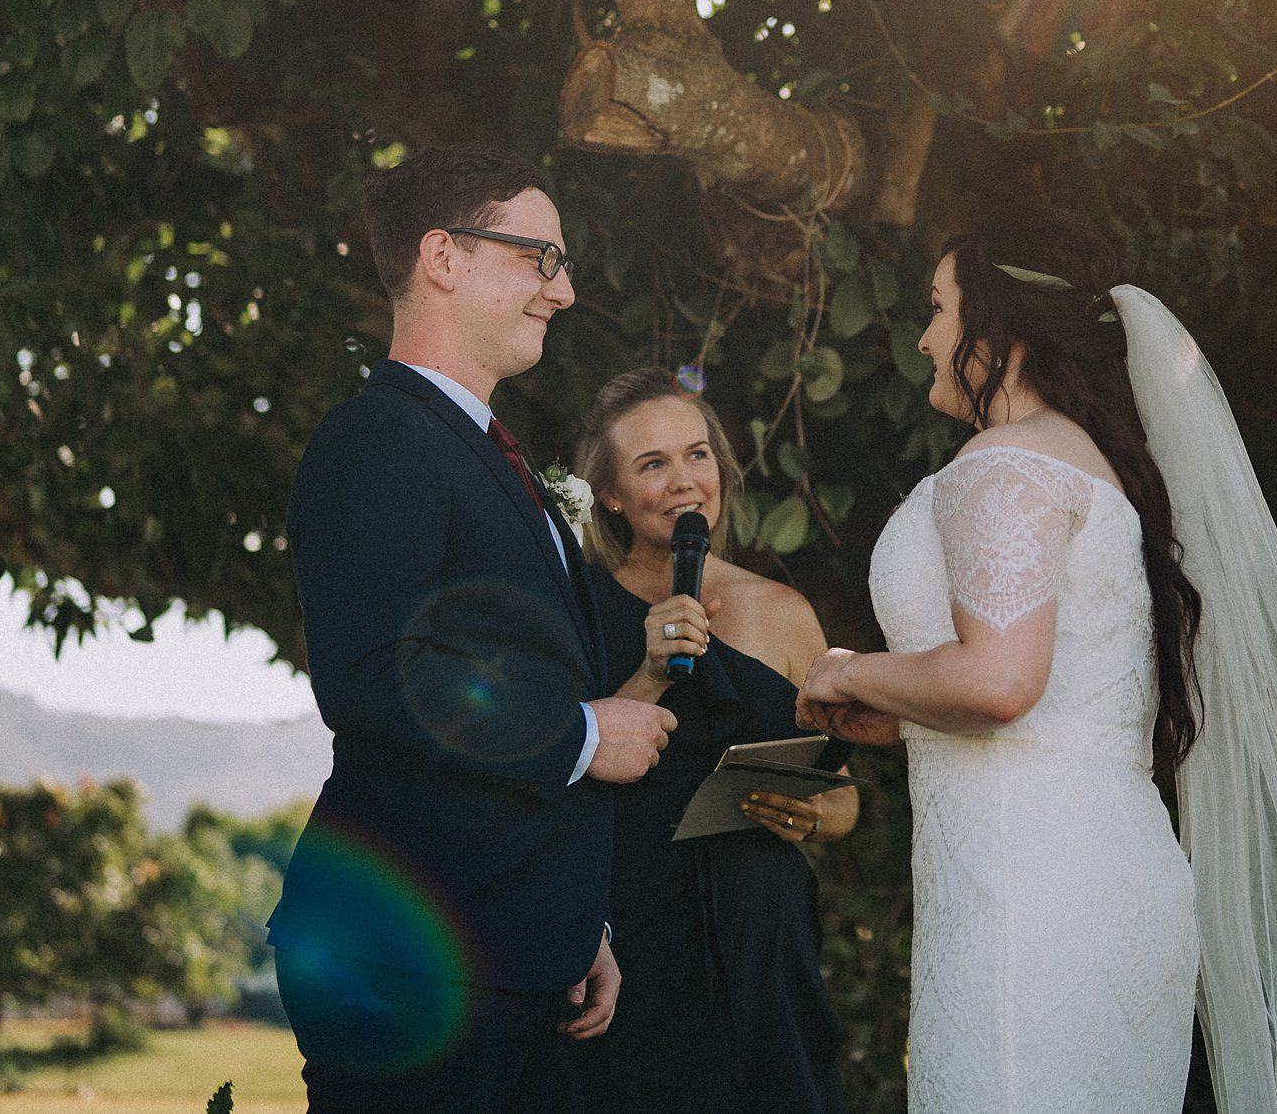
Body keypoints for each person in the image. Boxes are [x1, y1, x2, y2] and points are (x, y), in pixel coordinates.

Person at [796, 205, 1277, 1114]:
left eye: (937, 308)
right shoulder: (1097, 469)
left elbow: (1000, 681)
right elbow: (1061, 696)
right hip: (1113, 885)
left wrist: (845, 670)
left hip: (1027, 897)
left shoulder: (1002, 464)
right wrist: (900, 711)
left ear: (999, 325)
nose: (925, 338)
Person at [268, 148, 677, 1114]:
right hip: (413, 957)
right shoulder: (379, 437)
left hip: (514, 949)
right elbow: (376, 673)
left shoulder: (488, 453)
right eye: (542, 257)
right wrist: (585, 733)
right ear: (443, 257)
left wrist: (575, 922)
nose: (564, 290)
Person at [568, 368, 856, 1114]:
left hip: (763, 937)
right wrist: (650, 671)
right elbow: (558, 768)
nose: (684, 481)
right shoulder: (577, 609)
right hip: (632, 929)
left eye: (696, 455)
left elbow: (842, 796)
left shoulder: (783, 610)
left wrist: (811, 814)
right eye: (652, 464)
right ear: (610, 494)